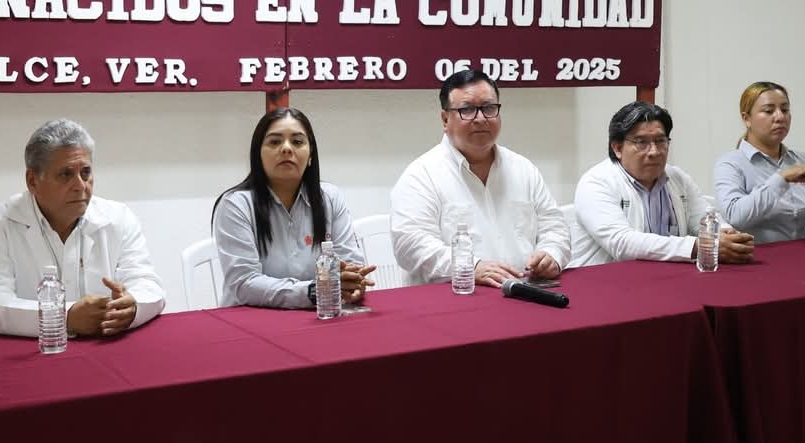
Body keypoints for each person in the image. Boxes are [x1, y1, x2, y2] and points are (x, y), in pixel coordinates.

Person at [0, 119, 165, 338]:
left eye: (86, 172)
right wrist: (64, 317)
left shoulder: (119, 218)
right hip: (27, 351)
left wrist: (132, 307)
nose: (80, 185)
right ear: (32, 181)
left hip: (104, 346)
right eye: (65, 174)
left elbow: (148, 285)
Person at [390, 69, 569, 287]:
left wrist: (551, 254)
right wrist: (470, 266)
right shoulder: (421, 175)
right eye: (467, 110)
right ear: (445, 120)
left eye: (488, 108)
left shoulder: (523, 169)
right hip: (454, 297)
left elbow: (555, 227)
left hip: (525, 291)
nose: (481, 118)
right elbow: (410, 246)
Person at [212, 108, 375, 309]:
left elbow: (350, 263)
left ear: (311, 154)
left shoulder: (330, 198)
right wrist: (314, 291)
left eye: (297, 142)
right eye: (274, 142)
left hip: (319, 315)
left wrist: (353, 283)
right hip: (251, 318)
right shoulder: (236, 205)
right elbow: (244, 283)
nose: (286, 149)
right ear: (258, 154)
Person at [570, 101, 755, 268]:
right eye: (641, 142)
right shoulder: (596, 183)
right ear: (617, 148)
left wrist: (728, 236)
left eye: (660, 141)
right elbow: (622, 243)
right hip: (603, 282)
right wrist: (698, 246)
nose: (654, 151)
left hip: (665, 279)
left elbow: (706, 219)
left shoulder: (677, 178)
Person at [713, 81, 805, 242]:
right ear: (747, 119)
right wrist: (781, 179)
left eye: (785, 110)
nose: (780, 117)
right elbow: (735, 217)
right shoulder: (730, 163)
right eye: (769, 111)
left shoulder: (801, 159)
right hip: (757, 255)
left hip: (802, 252)